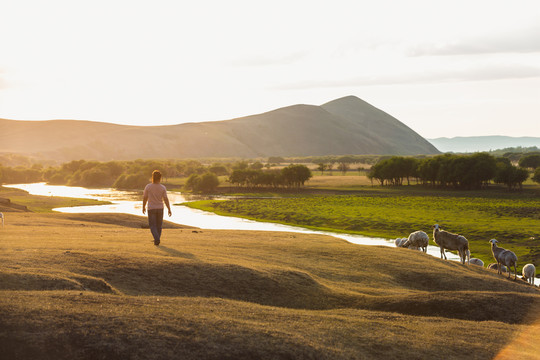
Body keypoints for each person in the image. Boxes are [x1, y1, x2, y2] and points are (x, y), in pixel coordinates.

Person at [142, 170, 172, 245]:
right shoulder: (163, 187)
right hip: (160, 208)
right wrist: (169, 209)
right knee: (159, 226)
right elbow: (165, 199)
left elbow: (145, 197)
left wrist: (143, 207)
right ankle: (157, 239)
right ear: (160, 178)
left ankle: (157, 239)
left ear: (152, 177)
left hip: (151, 208)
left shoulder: (148, 186)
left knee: (152, 225)